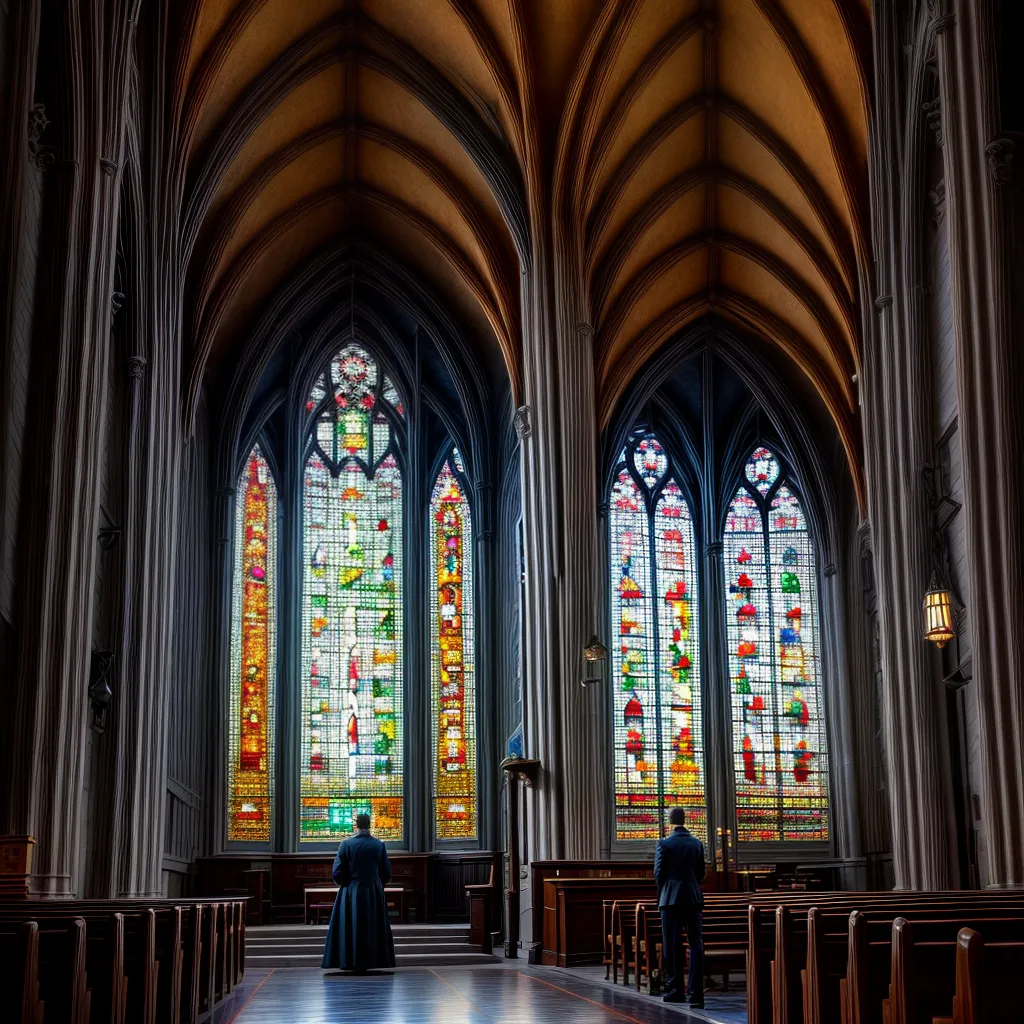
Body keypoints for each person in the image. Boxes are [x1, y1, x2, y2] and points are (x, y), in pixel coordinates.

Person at [322, 813, 397, 972]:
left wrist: (346, 883)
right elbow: (386, 873)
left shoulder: (346, 844)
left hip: (351, 890)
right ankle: (372, 961)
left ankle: (349, 961)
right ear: (370, 825)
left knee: (351, 924)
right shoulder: (379, 845)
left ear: (356, 825)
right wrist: (376, 883)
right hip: (373, 891)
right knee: (371, 925)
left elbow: (337, 872)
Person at [654, 806, 706, 1007]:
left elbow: (659, 874)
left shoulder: (664, 844)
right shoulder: (696, 843)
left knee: (672, 944)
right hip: (693, 898)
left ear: (670, 821)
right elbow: (701, 873)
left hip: (670, 899)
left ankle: (675, 990)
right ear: (684, 820)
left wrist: (666, 890)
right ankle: (696, 993)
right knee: (696, 944)